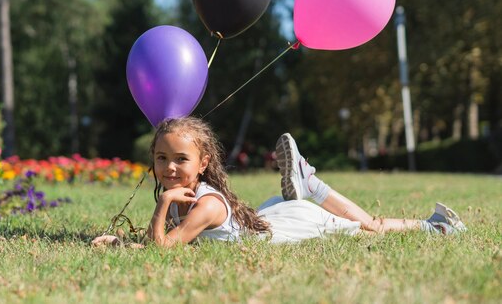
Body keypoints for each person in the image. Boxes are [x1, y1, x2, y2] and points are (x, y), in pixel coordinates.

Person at [92, 117, 466, 247]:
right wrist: (120, 242)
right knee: (365, 225)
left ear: (204, 163)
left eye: (181, 159)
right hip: (268, 218)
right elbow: (164, 240)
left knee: (370, 228)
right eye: (161, 158)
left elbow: (163, 249)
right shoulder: (183, 195)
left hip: (292, 227)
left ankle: (438, 228)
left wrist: (160, 205)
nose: (169, 167)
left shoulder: (204, 204)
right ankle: (306, 186)